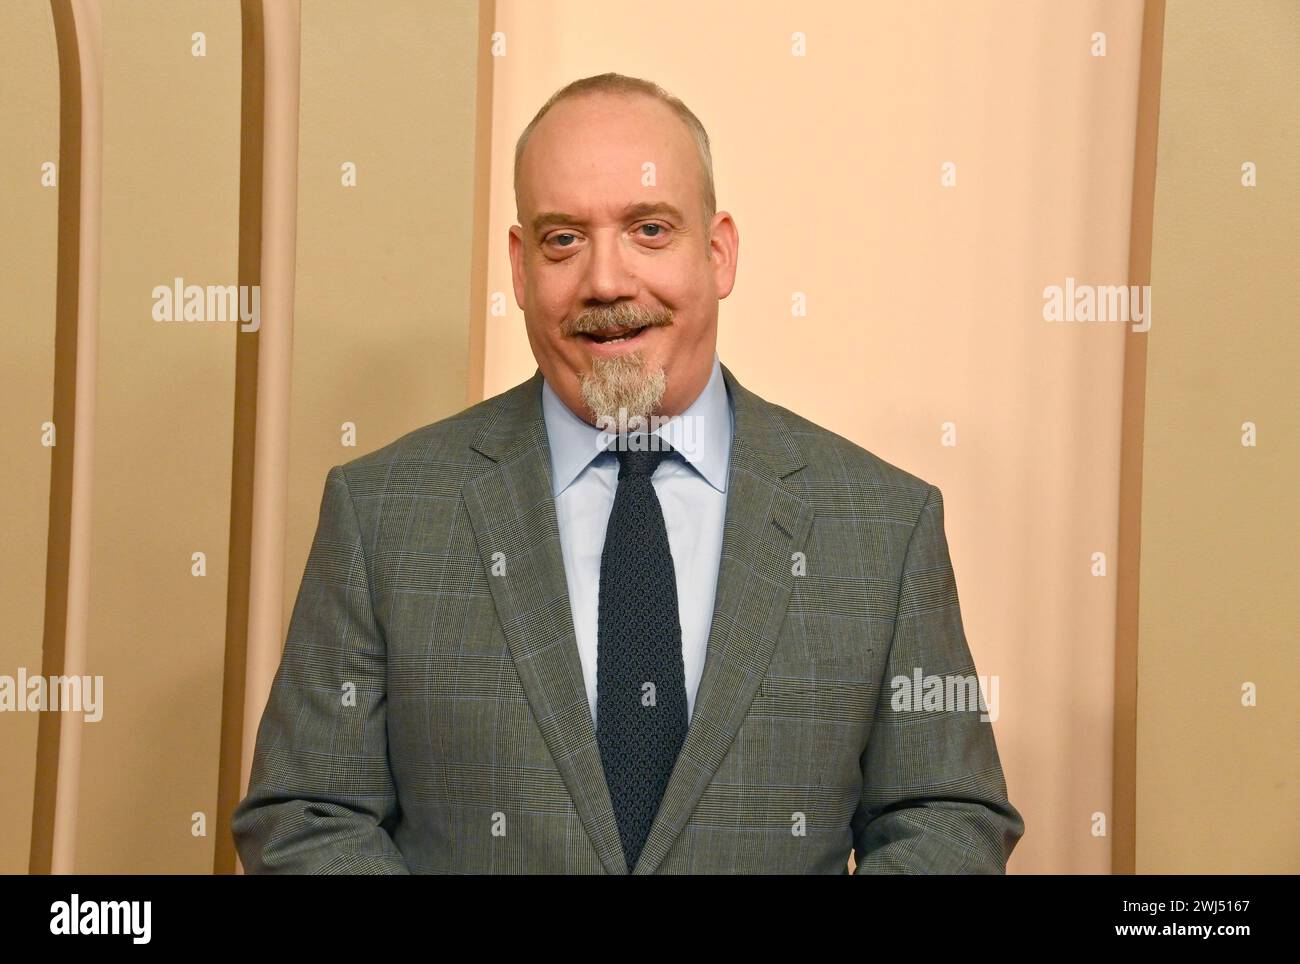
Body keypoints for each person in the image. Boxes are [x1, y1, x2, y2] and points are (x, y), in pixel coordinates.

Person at [232, 72, 1024, 874]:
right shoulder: (382, 514)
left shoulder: (883, 526)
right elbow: (307, 816)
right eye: (563, 239)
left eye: (648, 229)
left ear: (718, 253)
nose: (606, 281)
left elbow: (946, 819)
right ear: (520, 266)